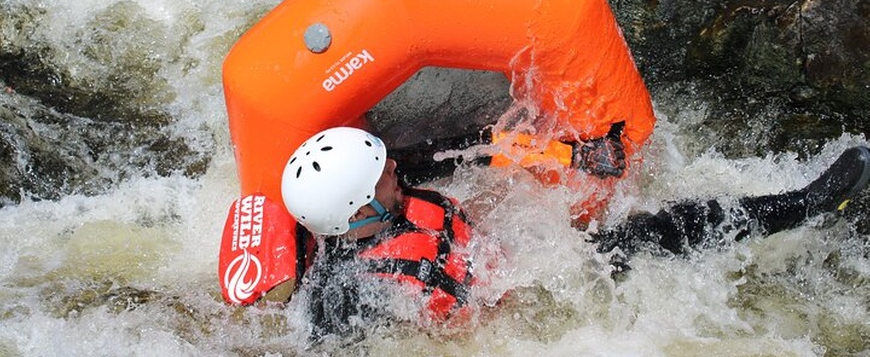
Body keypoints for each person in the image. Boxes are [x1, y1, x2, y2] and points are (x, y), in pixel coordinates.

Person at [279, 126, 870, 340]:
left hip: (513, 269)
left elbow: (475, 144)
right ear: (356, 216)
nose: (393, 170)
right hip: (520, 319)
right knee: (639, 241)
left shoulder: (381, 187)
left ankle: (798, 204)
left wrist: (572, 154)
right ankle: (807, 207)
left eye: (383, 162)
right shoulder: (347, 296)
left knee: (641, 232)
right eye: (380, 175)